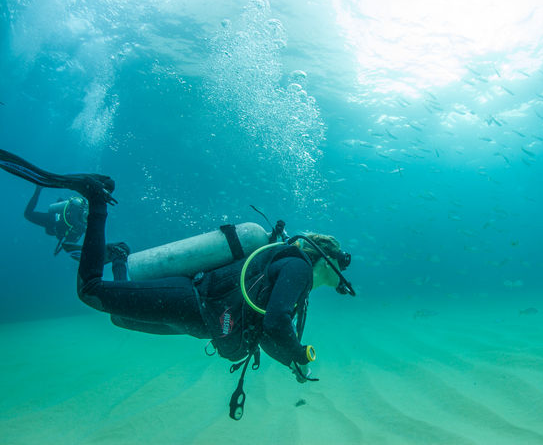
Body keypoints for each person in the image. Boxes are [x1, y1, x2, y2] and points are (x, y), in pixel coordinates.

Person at [0, 149, 354, 419]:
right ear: (328, 259)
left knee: (119, 317)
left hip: (199, 320)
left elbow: (265, 329)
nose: (339, 282)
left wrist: (293, 364)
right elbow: (276, 321)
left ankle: (120, 256)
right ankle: (95, 199)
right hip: (193, 302)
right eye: (340, 270)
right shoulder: (299, 267)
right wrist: (299, 355)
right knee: (91, 292)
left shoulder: (295, 275)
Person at [24, 185, 88, 255]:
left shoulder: (84, 224)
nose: (87, 217)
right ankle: (38, 188)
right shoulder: (78, 205)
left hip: (55, 229)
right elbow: (72, 220)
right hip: (54, 219)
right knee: (28, 214)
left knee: (49, 231)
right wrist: (84, 228)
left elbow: (71, 240)